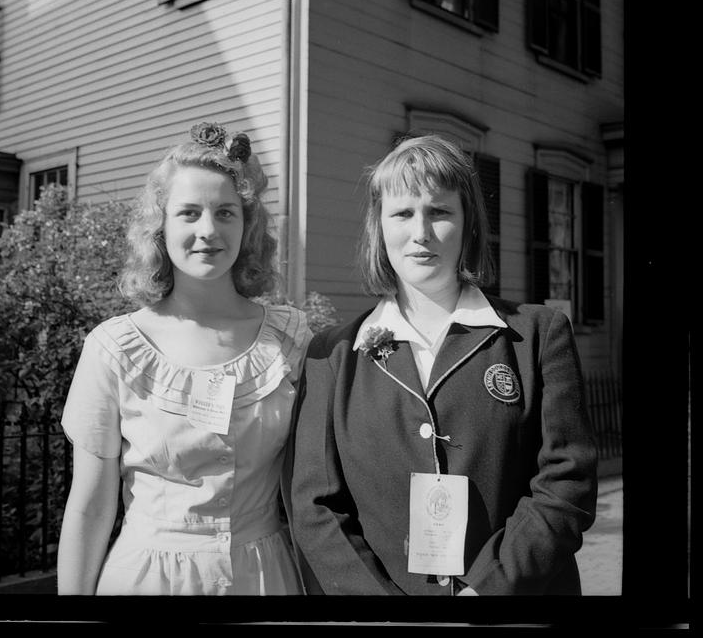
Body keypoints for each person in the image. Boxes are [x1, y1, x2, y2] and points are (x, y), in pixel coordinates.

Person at [288, 134, 598, 595]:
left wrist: (487, 590)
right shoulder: (330, 355)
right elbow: (314, 506)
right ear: (380, 227)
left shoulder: (537, 334)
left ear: (469, 223)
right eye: (402, 213)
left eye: (439, 211)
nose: (421, 233)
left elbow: (565, 481)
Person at [57, 122, 311, 595]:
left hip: (266, 582)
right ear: (161, 225)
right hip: (146, 583)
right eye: (189, 213)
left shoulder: (290, 339)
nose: (208, 231)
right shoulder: (113, 348)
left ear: (247, 224)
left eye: (226, 213)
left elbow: (314, 490)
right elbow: (90, 507)